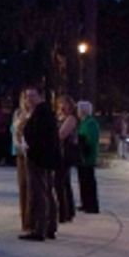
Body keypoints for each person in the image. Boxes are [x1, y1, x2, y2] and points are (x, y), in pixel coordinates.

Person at [20, 85, 60, 242]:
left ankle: (40, 229)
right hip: (43, 158)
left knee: (39, 193)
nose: (29, 99)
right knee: (47, 192)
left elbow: (40, 137)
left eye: (32, 95)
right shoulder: (43, 112)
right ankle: (50, 227)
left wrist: (28, 147)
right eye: (27, 96)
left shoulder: (41, 113)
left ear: (40, 96)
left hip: (38, 159)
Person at [55, 94, 79, 224]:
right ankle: (69, 211)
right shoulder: (60, 117)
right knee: (65, 182)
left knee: (59, 182)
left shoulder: (71, 119)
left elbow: (61, 135)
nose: (62, 106)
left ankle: (63, 212)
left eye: (64, 104)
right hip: (60, 153)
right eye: (60, 104)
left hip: (65, 154)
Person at [11, 94, 32, 233]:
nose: (26, 100)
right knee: (23, 186)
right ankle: (25, 221)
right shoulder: (18, 113)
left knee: (31, 188)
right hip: (20, 153)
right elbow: (14, 131)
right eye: (24, 97)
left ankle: (31, 221)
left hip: (30, 153)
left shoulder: (33, 114)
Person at [77, 101, 101, 214]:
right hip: (82, 155)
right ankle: (85, 203)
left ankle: (92, 205)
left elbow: (90, 139)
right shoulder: (83, 122)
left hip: (88, 155)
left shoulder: (90, 123)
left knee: (89, 181)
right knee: (83, 180)